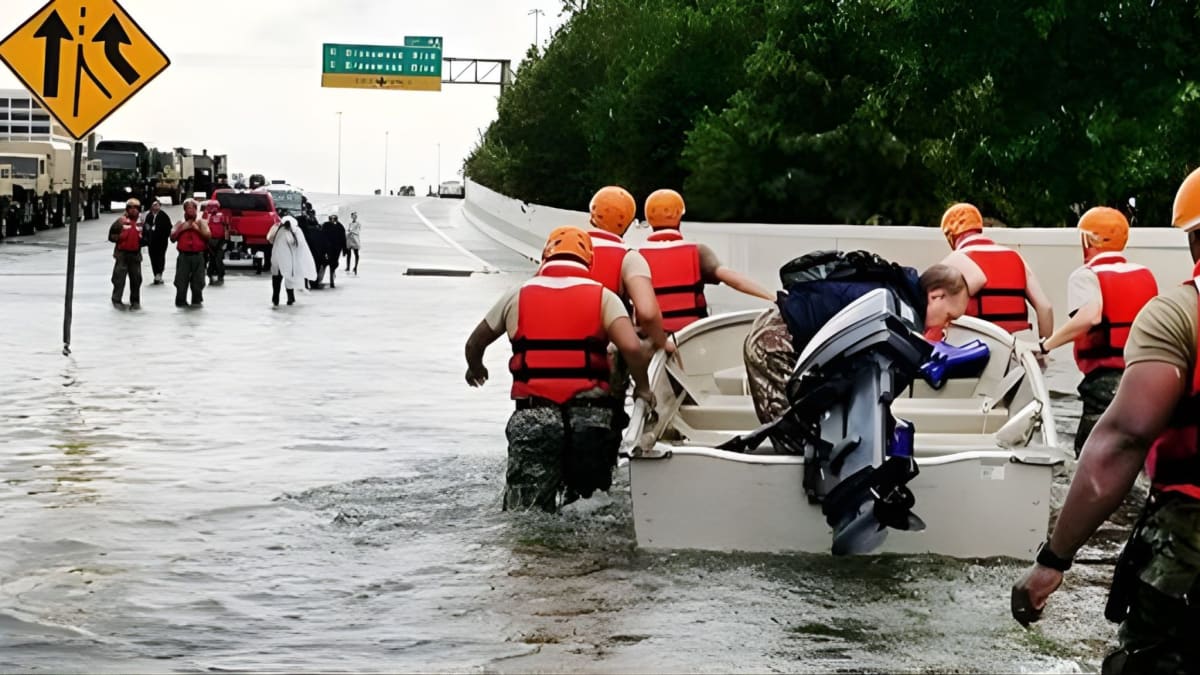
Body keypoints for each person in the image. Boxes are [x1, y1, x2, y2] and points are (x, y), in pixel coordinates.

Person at [1010, 168, 1200, 675]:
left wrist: (1053, 559)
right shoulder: (1143, 278)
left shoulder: (1177, 311)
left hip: (1187, 530)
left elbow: (1122, 442)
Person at [464, 226, 654, 512]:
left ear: (545, 256)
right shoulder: (604, 297)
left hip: (534, 414)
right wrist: (643, 388)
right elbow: (632, 349)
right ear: (589, 260)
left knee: (526, 513)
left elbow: (475, 343)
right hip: (590, 416)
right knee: (589, 508)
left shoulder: (517, 294)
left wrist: (475, 367)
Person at [745, 255, 970, 429]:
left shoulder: (896, 292)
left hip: (783, 328)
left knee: (811, 433)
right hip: (776, 339)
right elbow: (868, 376)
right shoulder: (899, 313)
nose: (946, 326)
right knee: (794, 434)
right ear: (936, 296)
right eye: (949, 316)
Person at [1036, 207, 1159, 456]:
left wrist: (1045, 346)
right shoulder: (1145, 274)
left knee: (1090, 454)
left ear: (1088, 240)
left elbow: (1090, 315)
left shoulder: (1085, 276)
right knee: (1137, 448)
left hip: (1105, 379)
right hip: (1144, 374)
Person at [639, 189, 774, 332]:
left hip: (652, 336)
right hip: (691, 335)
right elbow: (734, 280)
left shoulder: (637, 256)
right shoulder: (697, 252)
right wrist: (772, 298)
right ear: (679, 217)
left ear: (649, 220)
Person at [938, 202, 1054, 337]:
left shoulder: (954, 260)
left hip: (978, 341)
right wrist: (1043, 346)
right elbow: (1045, 308)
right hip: (1018, 341)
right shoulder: (1015, 257)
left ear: (950, 236)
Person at [267, 211, 317, 306]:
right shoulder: (295, 231)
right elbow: (300, 245)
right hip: (289, 260)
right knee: (289, 278)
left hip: (277, 259)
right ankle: (290, 298)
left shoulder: (278, 229)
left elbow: (269, 239)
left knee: (276, 279)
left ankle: (275, 299)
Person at [169, 199, 211, 307]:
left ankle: (197, 300)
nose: (191, 210)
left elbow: (208, 236)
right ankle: (180, 301)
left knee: (198, 281)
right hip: (184, 256)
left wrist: (197, 229)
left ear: (196, 210)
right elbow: (172, 237)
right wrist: (182, 229)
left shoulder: (201, 222)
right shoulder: (180, 223)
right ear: (185, 210)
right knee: (181, 281)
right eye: (188, 208)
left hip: (198, 256)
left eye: (193, 208)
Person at [107, 197, 147, 309]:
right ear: (127, 209)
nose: (133, 210)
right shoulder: (120, 221)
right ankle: (116, 299)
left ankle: (135, 301)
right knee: (119, 279)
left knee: (136, 279)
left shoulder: (141, 223)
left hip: (135, 255)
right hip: (122, 255)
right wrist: (120, 237)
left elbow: (147, 237)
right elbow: (111, 236)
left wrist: (143, 240)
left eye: (136, 208)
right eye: (131, 207)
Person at [142, 199, 172, 285]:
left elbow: (169, 227)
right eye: (154, 205)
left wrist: (165, 234)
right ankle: (155, 274)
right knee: (153, 257)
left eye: (157, 205)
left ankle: (159, 273)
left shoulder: (163, 215)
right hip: (152, 241)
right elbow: (146, 226)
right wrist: (146, 234)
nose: (155, 207)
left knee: (161, 257)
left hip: (161, 241)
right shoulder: (149, 216)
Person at [203, 199, 227, 284]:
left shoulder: (221, 216)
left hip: (218, 241)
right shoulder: (206, 215)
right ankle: (212, 275)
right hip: (211, 240)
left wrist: (225, 241)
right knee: (213, 259)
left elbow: (226, 228)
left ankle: (219, 275)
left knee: (217, 259)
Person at [321, 214, 346, 288]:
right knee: (331, 262)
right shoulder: (326, 225)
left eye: (334, 219)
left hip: (337, 248)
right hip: (329, 247)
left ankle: (332, 275)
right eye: (332, 219)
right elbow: (322, 235)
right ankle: (331, 279)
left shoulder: (340, 226)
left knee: (334, 262)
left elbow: (343, 238)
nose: (333, 220)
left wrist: (344, 249)